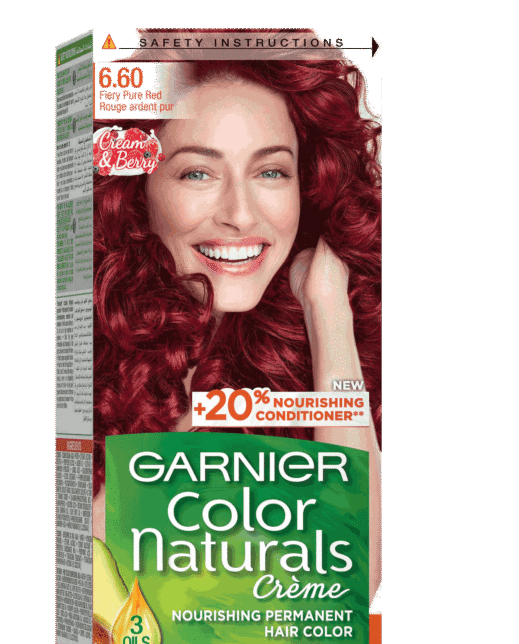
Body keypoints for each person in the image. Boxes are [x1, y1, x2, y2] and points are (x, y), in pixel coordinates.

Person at [92, 59, 382, 600]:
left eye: (270, 172)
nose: (241, 215)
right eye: (197, 173)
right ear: (138, 189)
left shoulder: (304, 357)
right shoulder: (82, 361)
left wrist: (327, 310)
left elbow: (351, 585)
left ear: (307, 186)